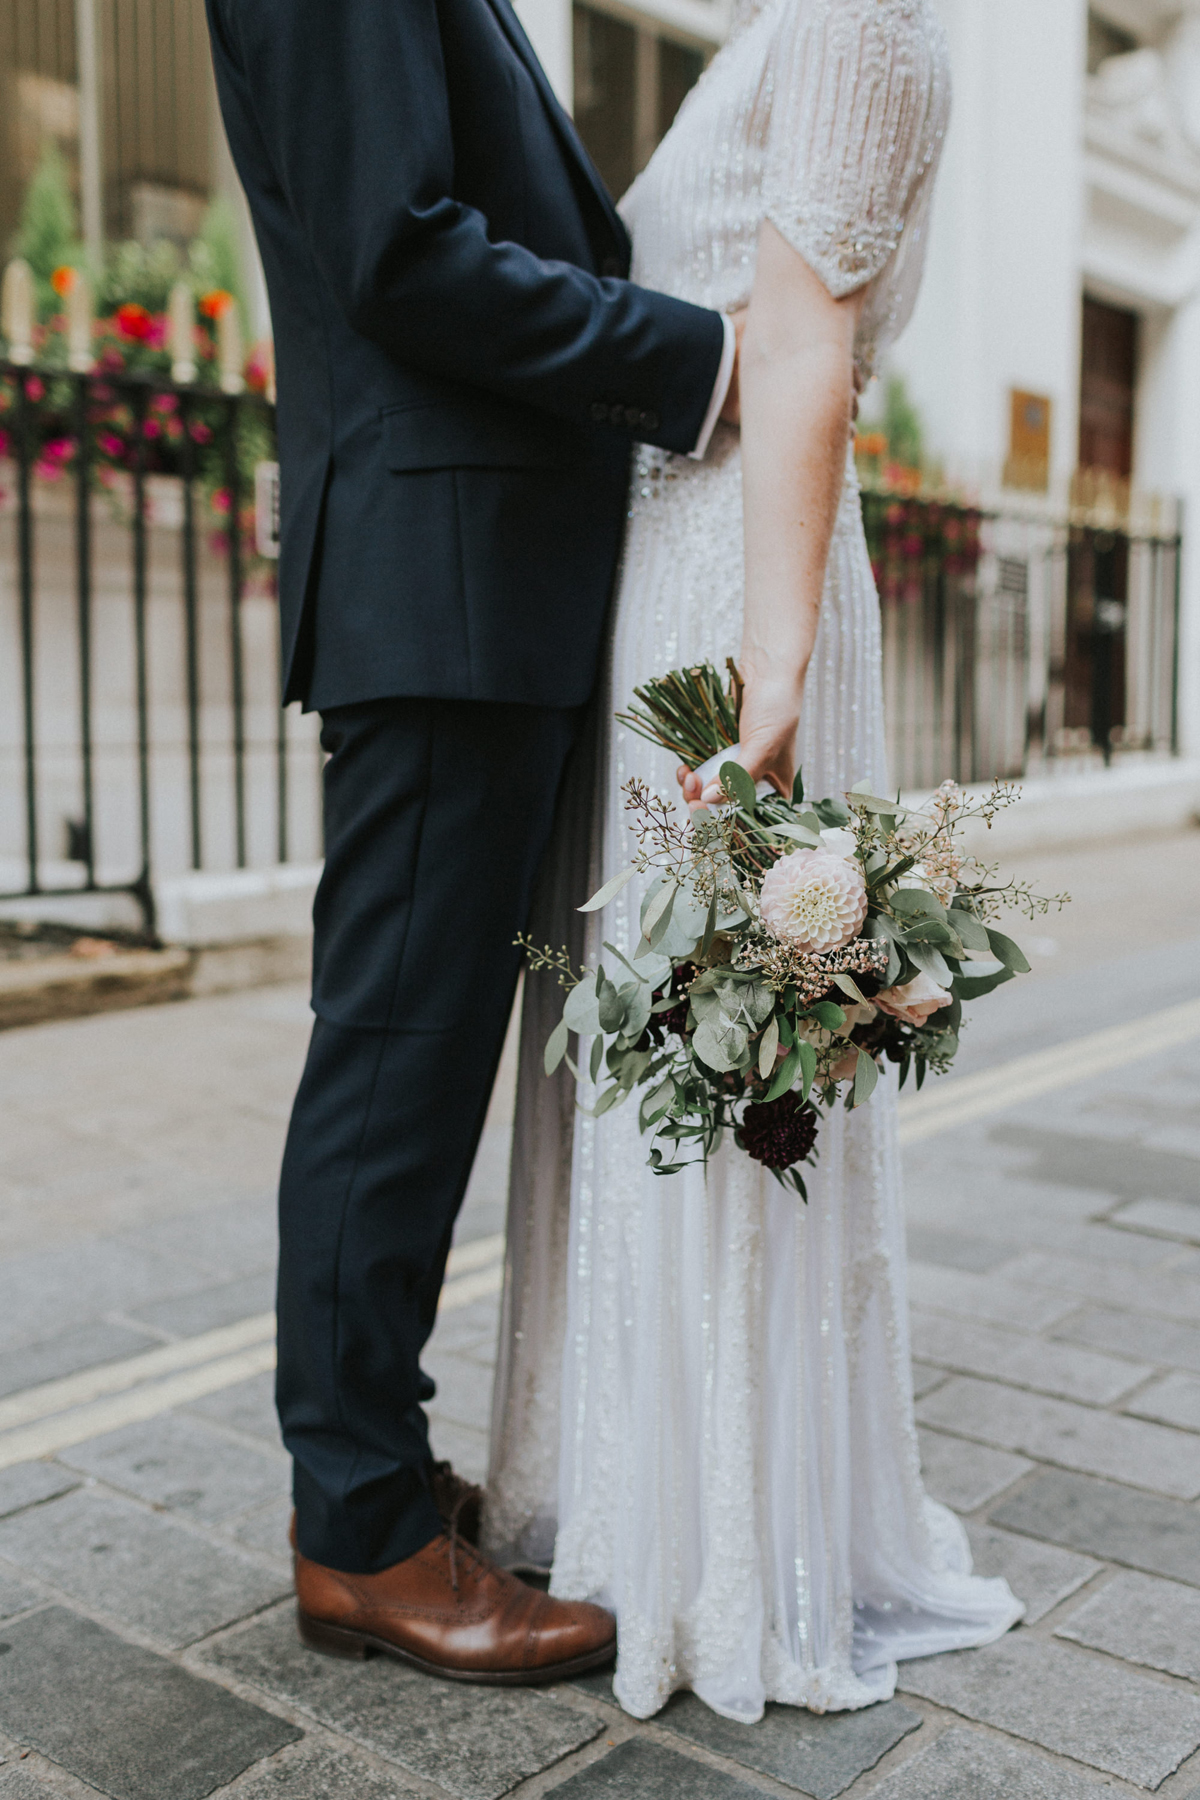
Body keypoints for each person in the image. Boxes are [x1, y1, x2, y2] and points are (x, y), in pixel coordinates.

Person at [487, 0, 1025, 1722]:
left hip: (739, 587)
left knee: (715, 1069)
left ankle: (726, 1548)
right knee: (648, 1057)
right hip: (677, 572)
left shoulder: (864, 22)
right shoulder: (786, 21)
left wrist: (774, 675)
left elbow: (802, 346)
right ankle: (635, 1492)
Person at [203, 0, 746, 1682]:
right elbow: (400, 249)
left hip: (473, 581)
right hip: (439, 582)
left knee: (414, 1072)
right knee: (395, 1070)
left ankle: (365, 1475)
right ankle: (358, 1538)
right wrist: (691, 360)